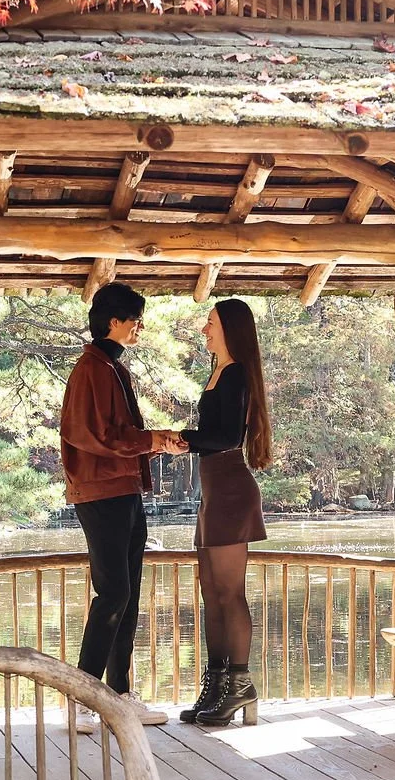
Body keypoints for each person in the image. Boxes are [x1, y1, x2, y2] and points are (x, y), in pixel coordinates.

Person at [58, 281, 185, 733]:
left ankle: (119, 694)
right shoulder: (91, 369)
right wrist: (152, 440)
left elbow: (116, 439)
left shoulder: (112, 368)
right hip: (102, 492)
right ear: (114, 322)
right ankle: (82, 696)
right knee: (113, 593)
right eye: (135, 320)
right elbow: (90, 435)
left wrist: (157, 443)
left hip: (123, 490)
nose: (140, 328)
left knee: (126, 594)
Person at [174, 298, 270, 727]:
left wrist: (182, 438)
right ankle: (214, 686)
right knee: (210, 594)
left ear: (229, 328)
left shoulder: (235, 376)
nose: (203, 330)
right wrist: (187, 440)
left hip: (230, 489)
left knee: (230, 593)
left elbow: (227, 435)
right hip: (212, 492)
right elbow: (212, 434)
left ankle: (239, 685)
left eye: (209, 323)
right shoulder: (217, 373)